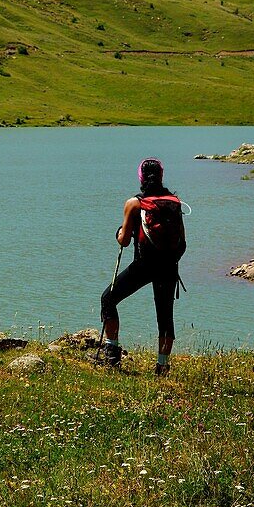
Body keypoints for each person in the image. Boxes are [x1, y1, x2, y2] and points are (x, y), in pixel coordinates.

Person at [100, 157, 186, 375]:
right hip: (168, 267)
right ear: (161, 176)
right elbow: (183, 243)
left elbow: (124, 240)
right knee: (165, 317)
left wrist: (119, 232)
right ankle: (162, 366)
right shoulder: (175, 202)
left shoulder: (134, 203)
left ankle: (111, 354)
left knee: (108, 298)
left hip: (143, 265)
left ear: (140, 177)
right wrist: (170, 260)